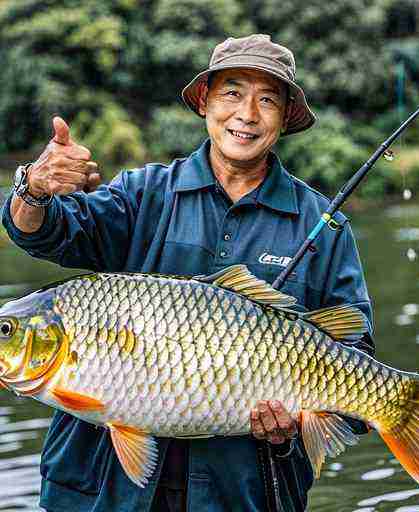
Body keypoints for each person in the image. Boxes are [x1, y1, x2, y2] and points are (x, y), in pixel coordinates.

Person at [2, 34, 374, 512]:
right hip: (102, 492)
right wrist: (33, 188)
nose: (247, 113)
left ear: (285, 117)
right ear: (204, 102)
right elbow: (43, 231)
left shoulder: (324, 227)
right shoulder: (143, 194)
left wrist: (291, 427)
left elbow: (356, 355)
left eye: (267, 99)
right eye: (232, 93)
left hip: (241, 494)